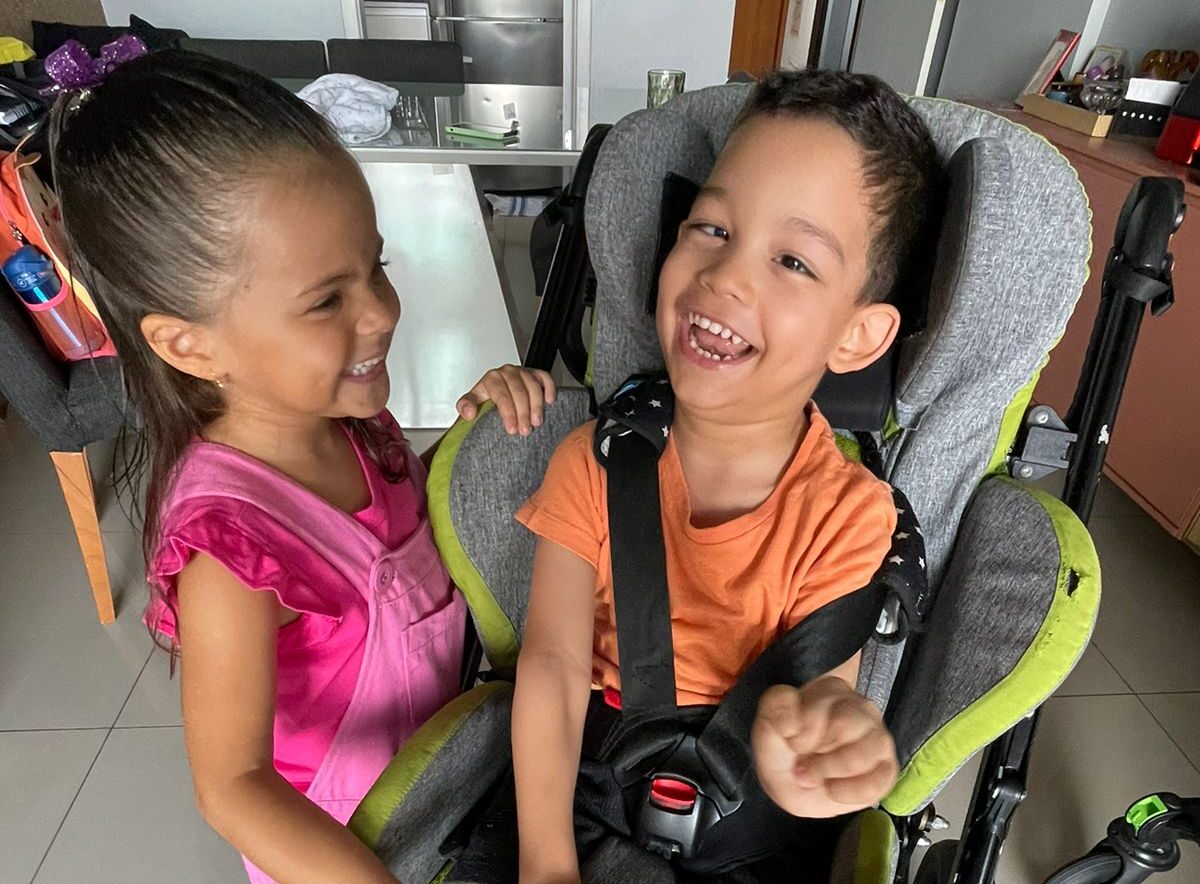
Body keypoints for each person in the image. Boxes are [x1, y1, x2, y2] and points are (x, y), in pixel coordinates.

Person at [51, 49, 555, 884]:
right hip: (352, 850)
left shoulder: (342, 420)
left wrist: (475, 441)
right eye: (327, 299)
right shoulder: (230, 554)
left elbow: (389, 538)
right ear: (190, 344)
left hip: (444, 783)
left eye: (377, 268)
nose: (382, 312)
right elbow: (233, 787)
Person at [508, 70, 940, 882]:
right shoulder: (593, 464)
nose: (727, 277)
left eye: (792, 260)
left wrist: (821, 746)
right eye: (711, 227)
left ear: (856, 336)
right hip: (587, 797)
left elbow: (823, 700)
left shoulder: (851, 515)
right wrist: (545, 863)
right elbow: (554, 667)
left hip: (754, 827)